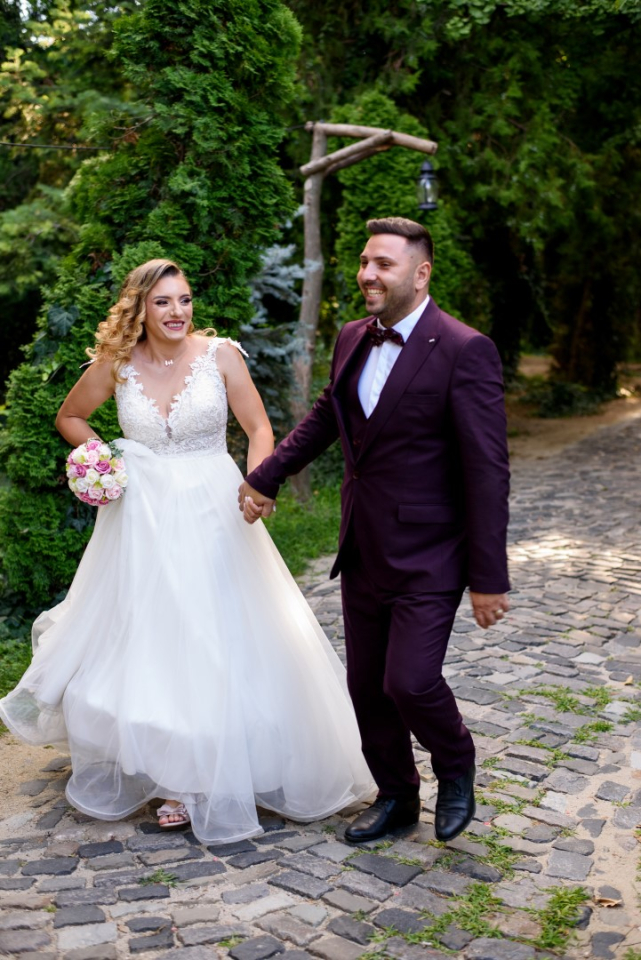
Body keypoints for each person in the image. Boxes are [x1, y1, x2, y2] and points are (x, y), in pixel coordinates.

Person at [0, 258, 373, 842]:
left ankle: (227, 762)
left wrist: (259, 483)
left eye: (185, 299)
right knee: (155, 636)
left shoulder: (221, 355)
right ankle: (175, 774)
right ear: (140, 308)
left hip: (214, 507)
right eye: (163, 302)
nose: (178, 312)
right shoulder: (116, 364)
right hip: (142, 517)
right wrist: (103, 458)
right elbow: (70, 416)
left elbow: (259, 429)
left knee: (215, 631)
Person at [239, 217, 510, 844]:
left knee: (409, 681)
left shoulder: (465, 349)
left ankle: (456, 763)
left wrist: (488, 577)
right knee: (366, 688)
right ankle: (396, 797)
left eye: (383, 264)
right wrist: (267, 476)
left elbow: (487, 470)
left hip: (431, 551)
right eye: (365, 262)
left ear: (421, 273)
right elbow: (327, 416)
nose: (367, 274)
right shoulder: (352, 337)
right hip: (362, 545)